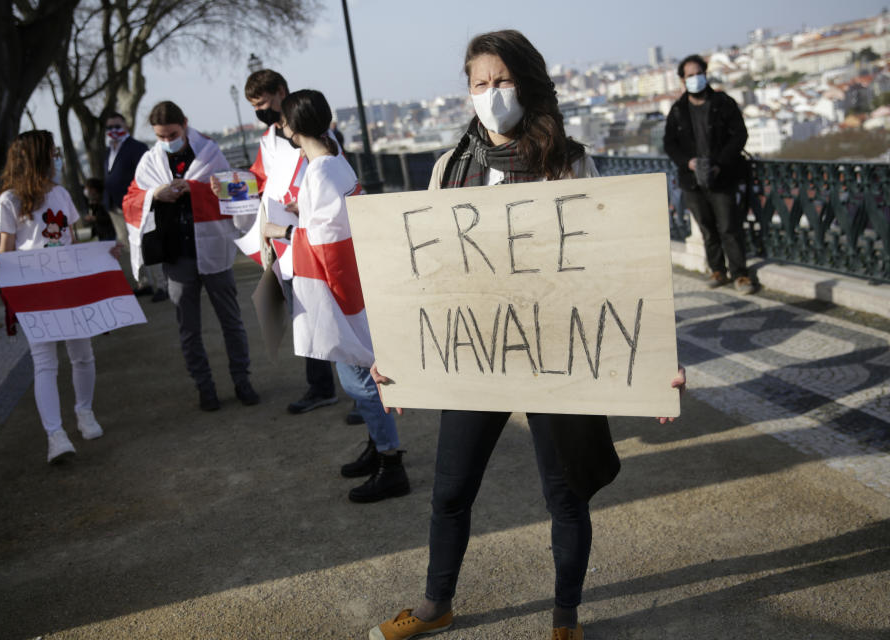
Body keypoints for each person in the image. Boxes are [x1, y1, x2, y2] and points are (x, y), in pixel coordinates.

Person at [367, 31, 687, 640]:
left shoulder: (569, 162)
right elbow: (423, 280)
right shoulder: (448, 169)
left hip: (558, 356)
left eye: (503, 81)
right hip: (474, 355)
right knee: (450, 490)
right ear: (467, 94)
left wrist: (654, 367)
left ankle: (565, 618)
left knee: (565, 497)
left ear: (529, 84)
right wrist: (400, 358)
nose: (492, 94)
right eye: (480, 84)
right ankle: (436, 604)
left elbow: (618, 274)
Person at [259, 89, 410, 503]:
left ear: (292, 127)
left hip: (338, 286)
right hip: (349, 278)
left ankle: (390, 459)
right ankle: (379, 447)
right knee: (361, 377)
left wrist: (284, 231)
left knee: (361, 378)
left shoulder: (320, 170)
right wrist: (300, 218)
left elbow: (325, 242)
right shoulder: (333, 161)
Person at [0, 131, 110, 464]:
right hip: (35, 291)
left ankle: (84, 413)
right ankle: (55, 435)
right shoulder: (9, 200)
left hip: (68, 285)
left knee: (82, 353)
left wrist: (103, 256)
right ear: (37, 158)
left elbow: (71, 241)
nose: (57, 158)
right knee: (45, 363)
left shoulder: (62, 194)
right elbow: (5, 250)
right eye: (52, 153)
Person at [123, 101, 259, 411]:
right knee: (189, 328)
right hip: (176, 254)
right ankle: (205, 388)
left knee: (232, 321)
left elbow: (233, 191)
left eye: (171, 133)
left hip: (213, 248)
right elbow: (131, 199)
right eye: (160, 136)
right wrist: (156, 194)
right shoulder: (149, 162)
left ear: (184, 124)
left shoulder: (210, 153)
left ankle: (243, 381)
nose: (167, 140)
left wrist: (195, 189)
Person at [243, 70, 363, 422]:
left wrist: (288, 222)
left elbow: (323, 191)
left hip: (309, 238)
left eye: (263, 103)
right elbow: (263, 177)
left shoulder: (319, 148)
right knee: (309, 314)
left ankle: (362, 397)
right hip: (295, 235)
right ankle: (324, 386)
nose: (261, 112)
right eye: (254, 106)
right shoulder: (269, 139)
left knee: (337, 316)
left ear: (281, 95)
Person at [663, 54, 755, 295]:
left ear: (705, 74)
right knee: (707, 227)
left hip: (722, 175)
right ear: (683, 80)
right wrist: (688, 162)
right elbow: (669, 144)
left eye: (698, 74)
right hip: (692, 180)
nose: (695, 79)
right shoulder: (678, 110)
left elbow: (739, 136)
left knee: (728, 226)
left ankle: (740, 274)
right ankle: (717, 269)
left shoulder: (723, 103)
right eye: (690, 75)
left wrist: (720, 163)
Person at [102, 111, 168, 302]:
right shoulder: (109, 151)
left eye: (117, 126)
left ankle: (162, 285)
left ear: (126, 127)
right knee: (129, 248)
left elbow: (145, 176)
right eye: (109, 127)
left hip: (136, 206)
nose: (113, 131)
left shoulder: (136, 148)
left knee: (148, 244)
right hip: (115, 206)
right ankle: (144, 282)